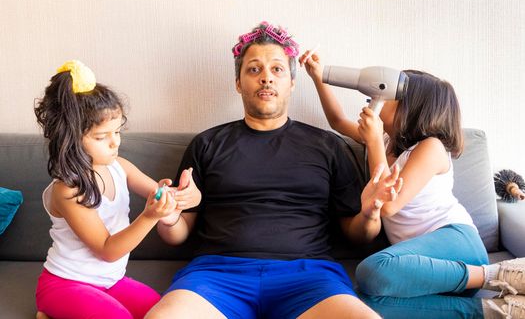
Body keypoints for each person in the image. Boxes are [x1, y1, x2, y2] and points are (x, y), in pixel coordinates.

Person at [145, 22, 403, 319]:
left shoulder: (328, 146)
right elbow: (177, 234)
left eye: (277, 70)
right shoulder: (207, 144)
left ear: (292, 82)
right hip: (217, 276)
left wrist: (370, 211)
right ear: (238, 83)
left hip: (308, 278)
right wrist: (168, 216)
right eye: (254, 70)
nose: (266, 77)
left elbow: (359, 236)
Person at [302, 52, 525, 319]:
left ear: (412, 108)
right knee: (361, 302)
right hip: (418, 270)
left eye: (392, 95)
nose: (381, 98)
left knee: (371, 270)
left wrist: (373, 142)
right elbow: (337, 121)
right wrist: (318, 78)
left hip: (457, 247)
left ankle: (497, 274)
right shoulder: (385, 142)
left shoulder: (430, 148)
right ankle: (492, 311)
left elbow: (388, 205)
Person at [33, 60, 201, 319]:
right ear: (70, 138)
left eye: (117, 132)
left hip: (111, 282)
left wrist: (179, 194)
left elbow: (159, 192)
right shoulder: (69, 189)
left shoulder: (120, 167)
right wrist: (149, 217)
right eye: (101, 137)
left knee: (165, 311)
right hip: (66, 284)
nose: (114, 142)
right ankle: (52, 310)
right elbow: (107, 249)